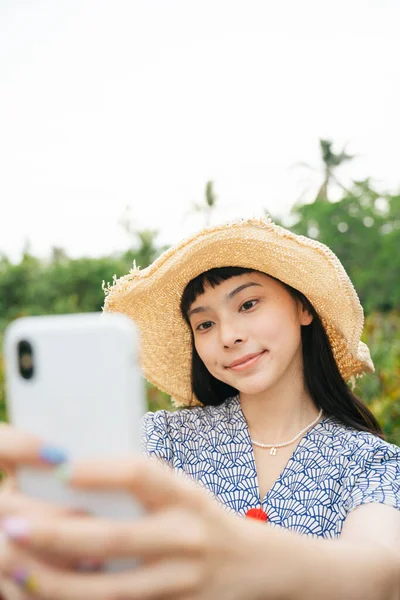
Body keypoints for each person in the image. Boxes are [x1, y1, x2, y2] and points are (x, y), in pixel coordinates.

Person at [0, 216, 399, 599]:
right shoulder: (162, 439)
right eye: (204, 324)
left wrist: (244, 557)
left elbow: (381, 575)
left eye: (248, 304)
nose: (228, 336)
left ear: (303, 307)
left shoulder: (371, 463)